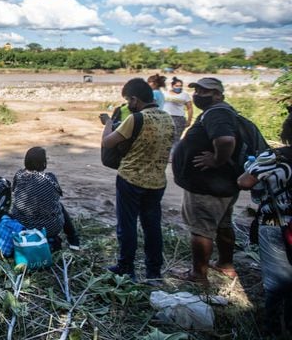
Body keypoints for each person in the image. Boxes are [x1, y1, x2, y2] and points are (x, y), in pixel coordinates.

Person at [101, 78, 174, 283]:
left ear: (135, 99)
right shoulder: (167, 118)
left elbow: (108, 142)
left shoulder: (136, 119)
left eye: (127, 100)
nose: (127, 104)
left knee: (127, 225)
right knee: (152, 226)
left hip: (131, 180)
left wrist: (108, 123)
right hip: (157, 182)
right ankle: (154, 272)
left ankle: (126, 267)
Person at [172, 77, 240, 284]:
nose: (199, 95)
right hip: (222, 184)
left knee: (201, 229)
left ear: (219, 95)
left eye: (206, 91)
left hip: (207, 185)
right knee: (223, 224)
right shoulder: (223, 112)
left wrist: (217, 160)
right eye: (197, 91)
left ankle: (198, 274)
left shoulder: (217, 113)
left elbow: (226, 140)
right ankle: (225, 264)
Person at [238, 110, 292, 336]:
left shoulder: (275, 158)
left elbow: (244, 182)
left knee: (277, 282)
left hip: (276, 224)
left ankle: (273, 329)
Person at [10, 146, 81, 251]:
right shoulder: (49, 178)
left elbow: (14, 191)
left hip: (21, 225)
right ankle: (73, 240)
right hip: (48, 228)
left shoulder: (19, 175)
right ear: (43, 162)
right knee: (60, 206)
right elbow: (57, 195)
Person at [162, 77, 193, 153]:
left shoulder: (185, 95)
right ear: (172, 86)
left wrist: (189, 120)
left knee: (176, 139)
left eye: (180, 86)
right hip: (165, 118)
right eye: (177, 86)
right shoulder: (165, 93)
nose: (179, 87)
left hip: (178, 118)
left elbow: (190, 108)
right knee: (165, 138)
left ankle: (174, 157)